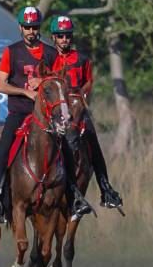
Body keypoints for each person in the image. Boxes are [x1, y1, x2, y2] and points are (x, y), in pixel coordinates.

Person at [0, 5, 92, 223]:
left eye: (34, 27)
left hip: (46, 115)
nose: (31, 31)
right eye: (27, 27)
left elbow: (59, 80)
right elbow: (1, 85)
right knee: (4, 147)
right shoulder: (11, 51)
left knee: (69, 148)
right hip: (19, 110)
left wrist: (42, 82)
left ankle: (75, 196)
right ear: (21, 28)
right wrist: (25, 90)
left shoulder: (51, 53)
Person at [50, 15, 123, 210]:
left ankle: (106, 189)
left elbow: (89, 80)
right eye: (60, 36)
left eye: (67, 36)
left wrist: (81, 94)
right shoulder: (49, 58)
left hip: (77, 108)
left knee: (92, 140)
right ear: (53, 38)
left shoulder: (81, 59)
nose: (64, 39)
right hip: (56, 109)